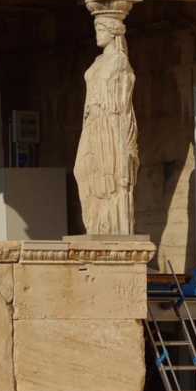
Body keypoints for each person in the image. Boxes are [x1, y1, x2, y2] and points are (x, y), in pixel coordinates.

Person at [73, 14, 138, 234]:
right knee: (80, 171)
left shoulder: (120, 61)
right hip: (92, 120)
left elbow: (123, 103)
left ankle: (110, 227)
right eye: (97, 29)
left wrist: (123, 142)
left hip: (110, 123)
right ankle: (95, 225)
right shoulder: (98, 61)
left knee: (108, 178)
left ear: (113, 32)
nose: (97, 34)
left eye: (101, 29)